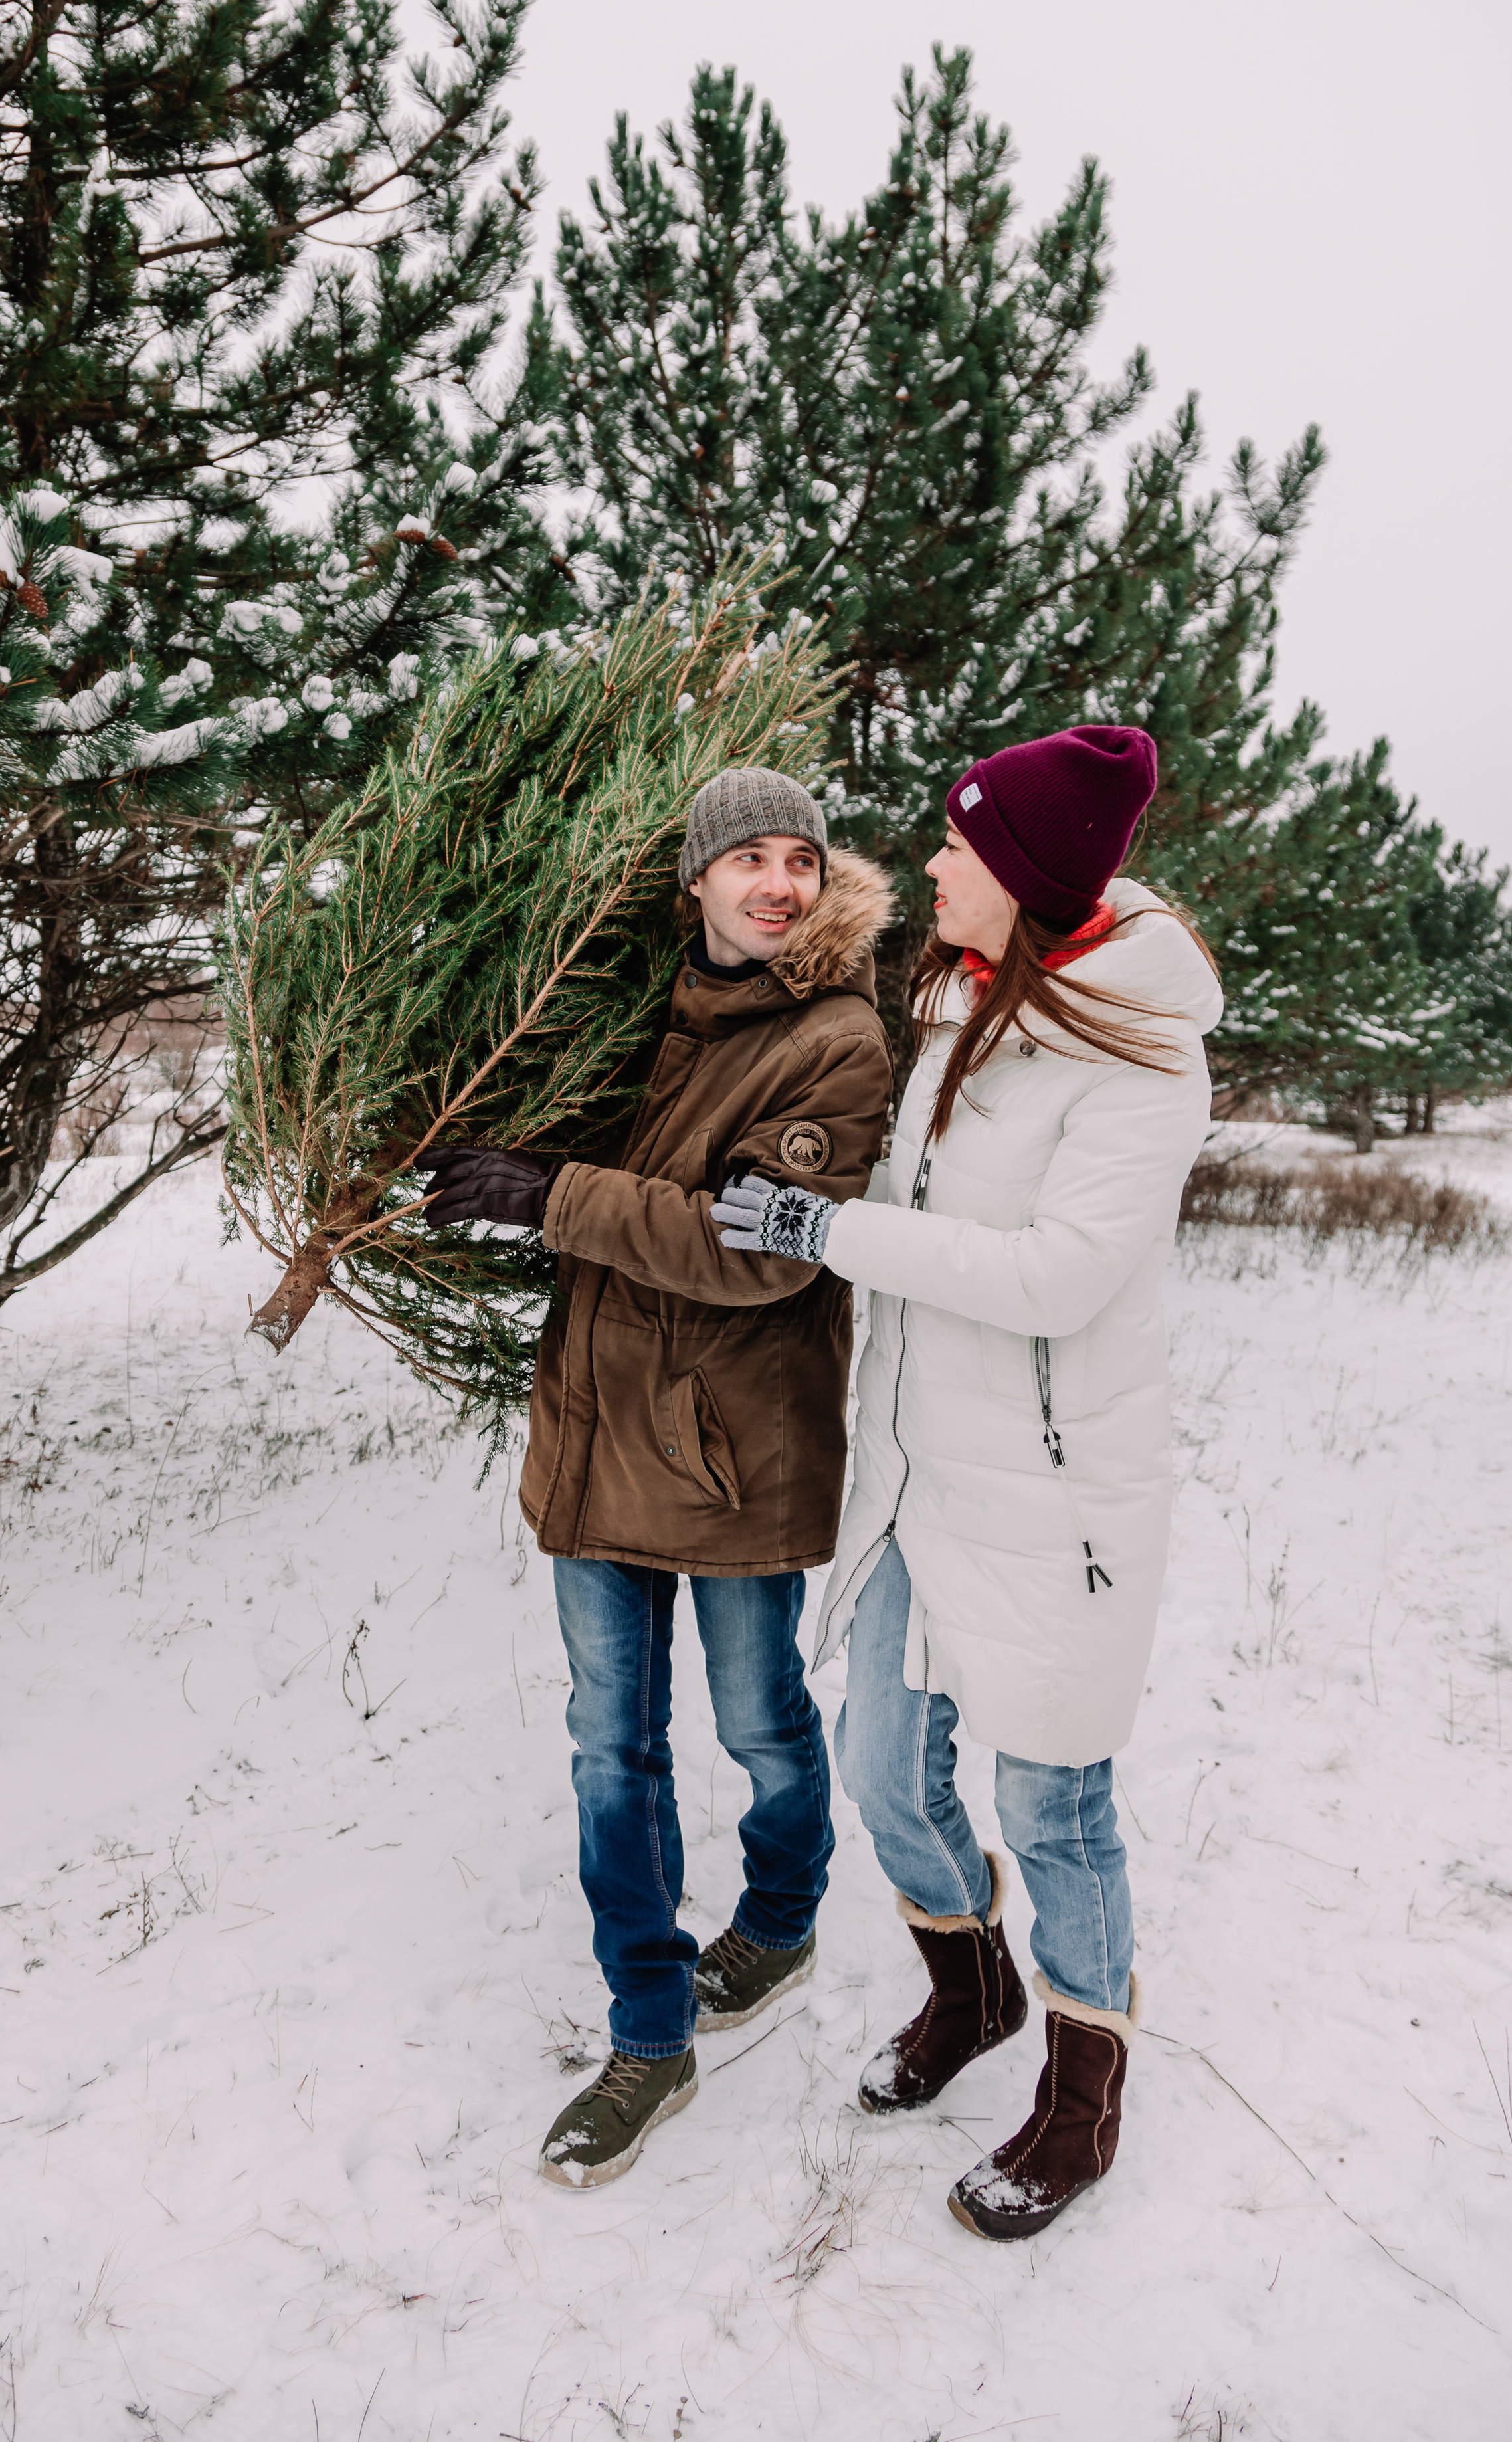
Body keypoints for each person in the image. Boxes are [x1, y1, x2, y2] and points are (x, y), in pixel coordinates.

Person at [714, 724, 1223, 2241]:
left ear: (1023, 874)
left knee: (1054, 1806)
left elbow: (1056, 1276)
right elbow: (902, 1188)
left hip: (1055, 1500)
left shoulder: (1142, 1054)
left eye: (958, 845)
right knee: (880, 1770)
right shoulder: (954, 1001)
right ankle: (973, 1984)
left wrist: (825, 1233)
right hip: (919, 1472)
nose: (931, 860)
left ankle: (1081, 2102)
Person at [423, 769, 894, 2188]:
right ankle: (646, 2026)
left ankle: (783, 1915)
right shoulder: (629, 1014)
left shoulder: (836, 1042)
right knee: (607, 1746)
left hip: (734, 1442)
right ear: (690, 881)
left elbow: (760, 1247)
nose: (776, 883)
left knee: (758, 1720)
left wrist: (549, 1192)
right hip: (593, 1430)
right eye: (744, 857)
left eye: (799, 860)